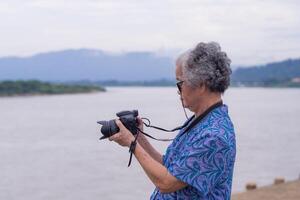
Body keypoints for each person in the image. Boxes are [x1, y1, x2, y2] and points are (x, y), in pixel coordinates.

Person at [109, 41, 236, 199]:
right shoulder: (201, 122)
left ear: (201, 84)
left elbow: (167, 183)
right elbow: (169, 167)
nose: (178, 91)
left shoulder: (214, 136)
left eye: (180, 83)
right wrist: (139, 137)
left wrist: (132, 144)